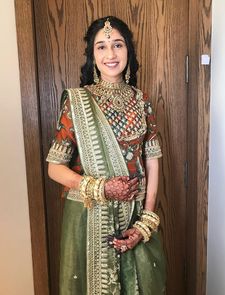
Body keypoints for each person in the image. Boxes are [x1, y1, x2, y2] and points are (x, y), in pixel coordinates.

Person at [46, 16, 166, 295]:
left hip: (134, 216)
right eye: (101, 47)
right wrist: (101, 187)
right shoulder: (76, 101)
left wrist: (147, 219)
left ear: (128, 51)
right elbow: (55, 169)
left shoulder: (142, 100)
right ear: (92, 55)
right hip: (88, 219)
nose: (110, 54)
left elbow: (152, 161)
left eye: (117, 45)